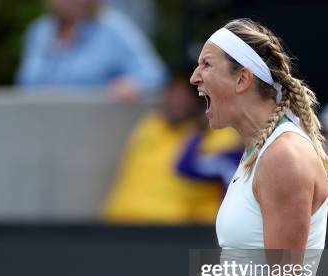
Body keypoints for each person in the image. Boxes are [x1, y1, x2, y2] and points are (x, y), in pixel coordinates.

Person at [145, 18, 328, 276]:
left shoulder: (284, 157)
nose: (195, 76)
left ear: (242, 79)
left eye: (207, 65)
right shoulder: (253, 155)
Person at [102, 69, 239, 223]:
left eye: (184, 94)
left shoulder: (219, 134)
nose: (176, 100)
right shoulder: (151, 125)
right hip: (118, 222)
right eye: (172, 91)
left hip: (170, 231)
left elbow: (217, 185)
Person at [16, 0, 166, 102]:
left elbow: (154, 73)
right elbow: (23, 86)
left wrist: (133, 85)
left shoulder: (113, 28)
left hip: (92, 132)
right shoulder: (39, 31)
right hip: (39, 131)